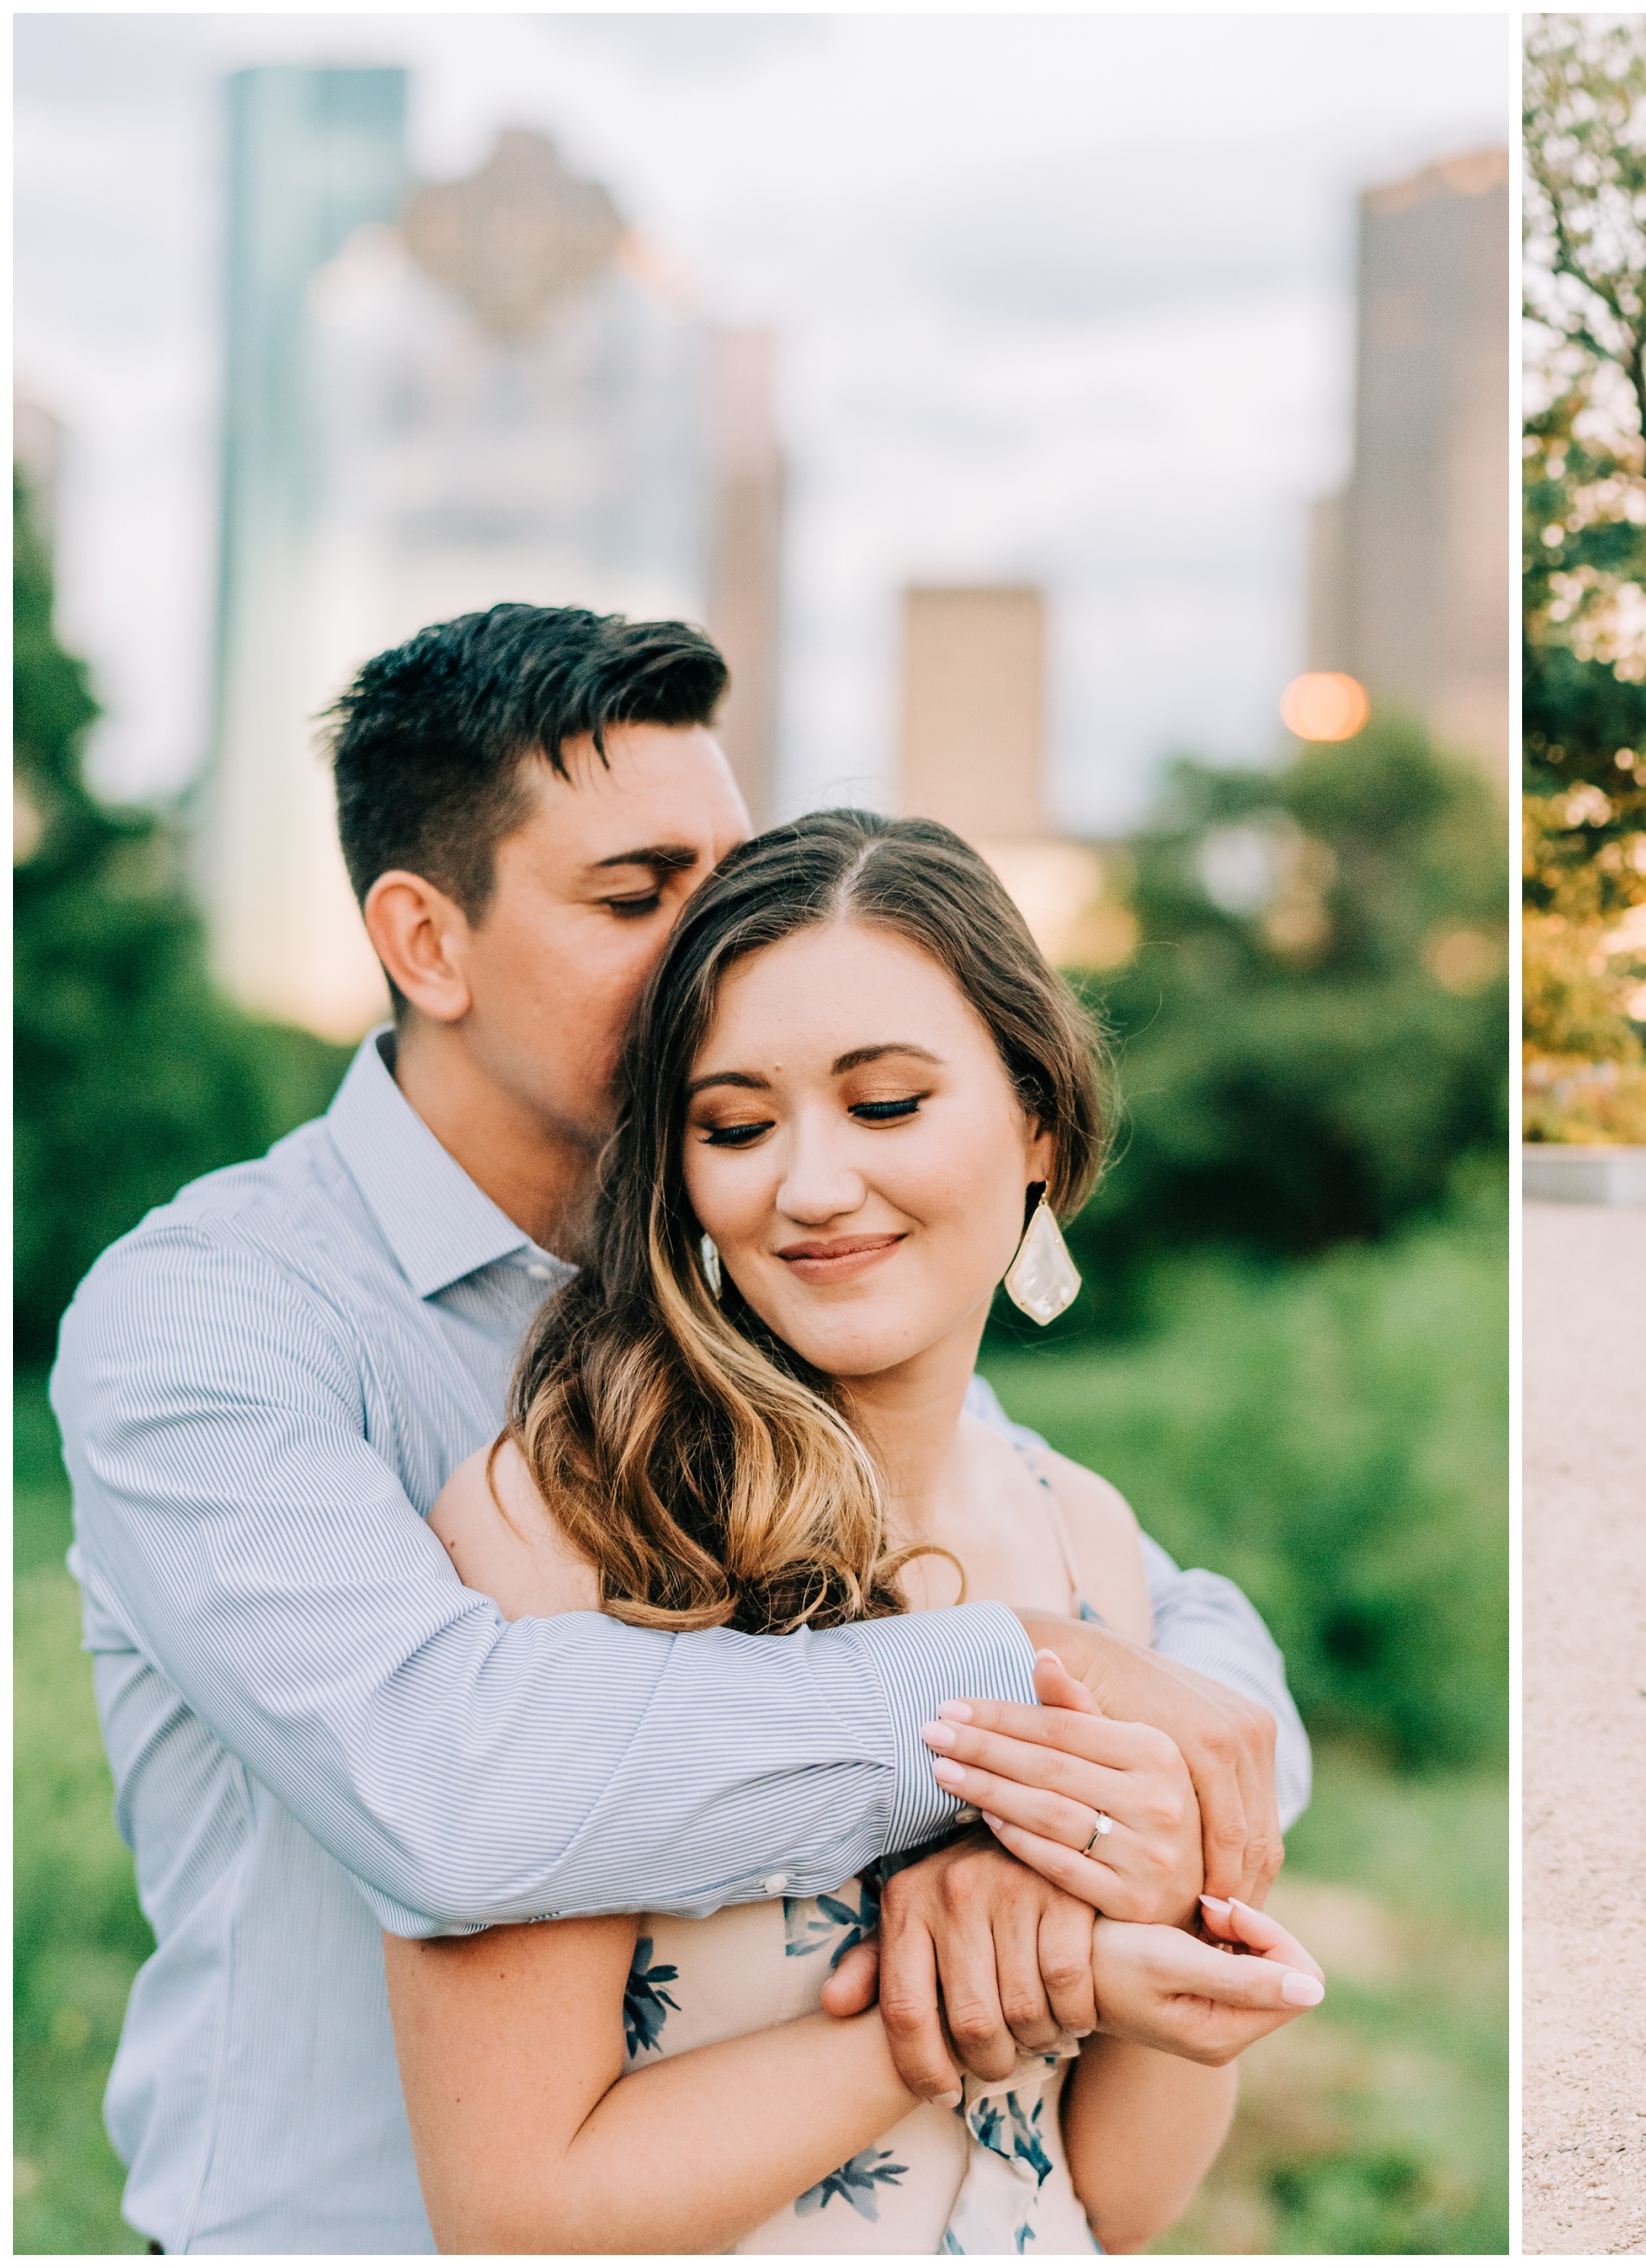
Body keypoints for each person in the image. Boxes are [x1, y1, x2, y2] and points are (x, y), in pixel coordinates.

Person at [52, 606, 1307, 2252]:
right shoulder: (217, 1320)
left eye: (721, 884)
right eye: (639, 896)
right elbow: (451, 1781)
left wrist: (1090, 1823)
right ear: (428, 942)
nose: (713, 949)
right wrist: (994, 1727)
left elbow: (1159, 1638)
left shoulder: (793, 1321)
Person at [392, 807, 1321, 2251]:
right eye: (738, 1124)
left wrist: (1175, 1944)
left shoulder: (1082, 1531)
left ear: (1034, 1116)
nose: (811, 1186)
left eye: (885, 1104)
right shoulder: (568, 1522)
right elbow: (516, 2208)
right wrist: (979, 1991)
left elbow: (1115, 2195)